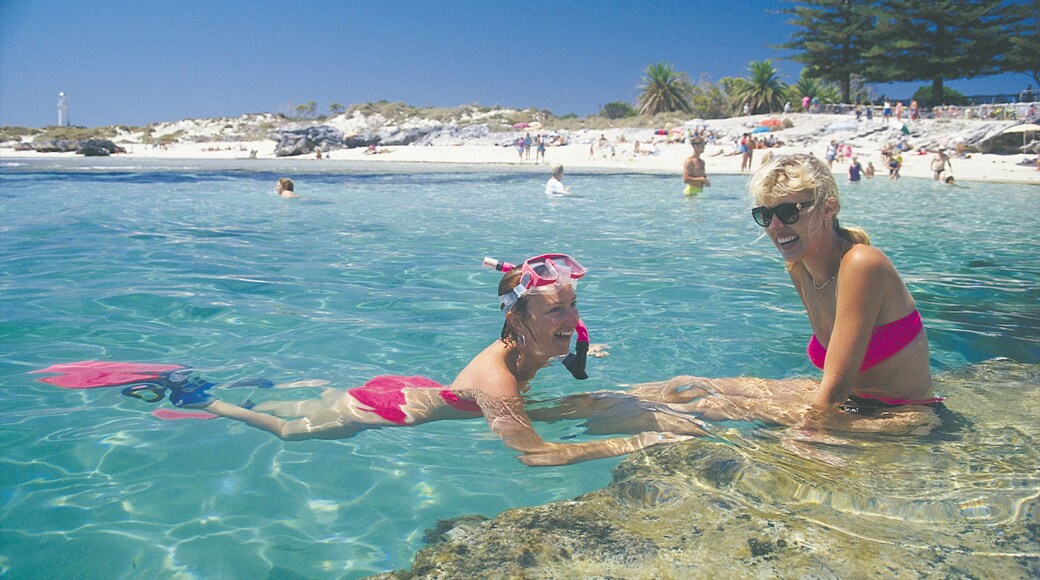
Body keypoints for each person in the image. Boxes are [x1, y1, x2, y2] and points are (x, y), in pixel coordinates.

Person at [129, 254, 690, 466]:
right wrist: (636, 441)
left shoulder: (552, 338)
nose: (570, 320)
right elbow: (536, 458)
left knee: (322, 392)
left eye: (572, 305)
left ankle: (262, 381)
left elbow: (570, 357)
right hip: (389, 408)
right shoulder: (498, 382)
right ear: (516, 321)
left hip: (419, 388)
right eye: (554, 311)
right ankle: (208, 398)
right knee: (291, 429)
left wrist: (585, 353)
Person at [747, 154, 937, 414]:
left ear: (828, 208)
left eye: (788, 212)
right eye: (765, 215)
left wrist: (805, 437)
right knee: (685, 390)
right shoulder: (799, 269)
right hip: (852, 407)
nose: (775, 226)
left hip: (900, 418)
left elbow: (835, 391)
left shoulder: (862, 263)